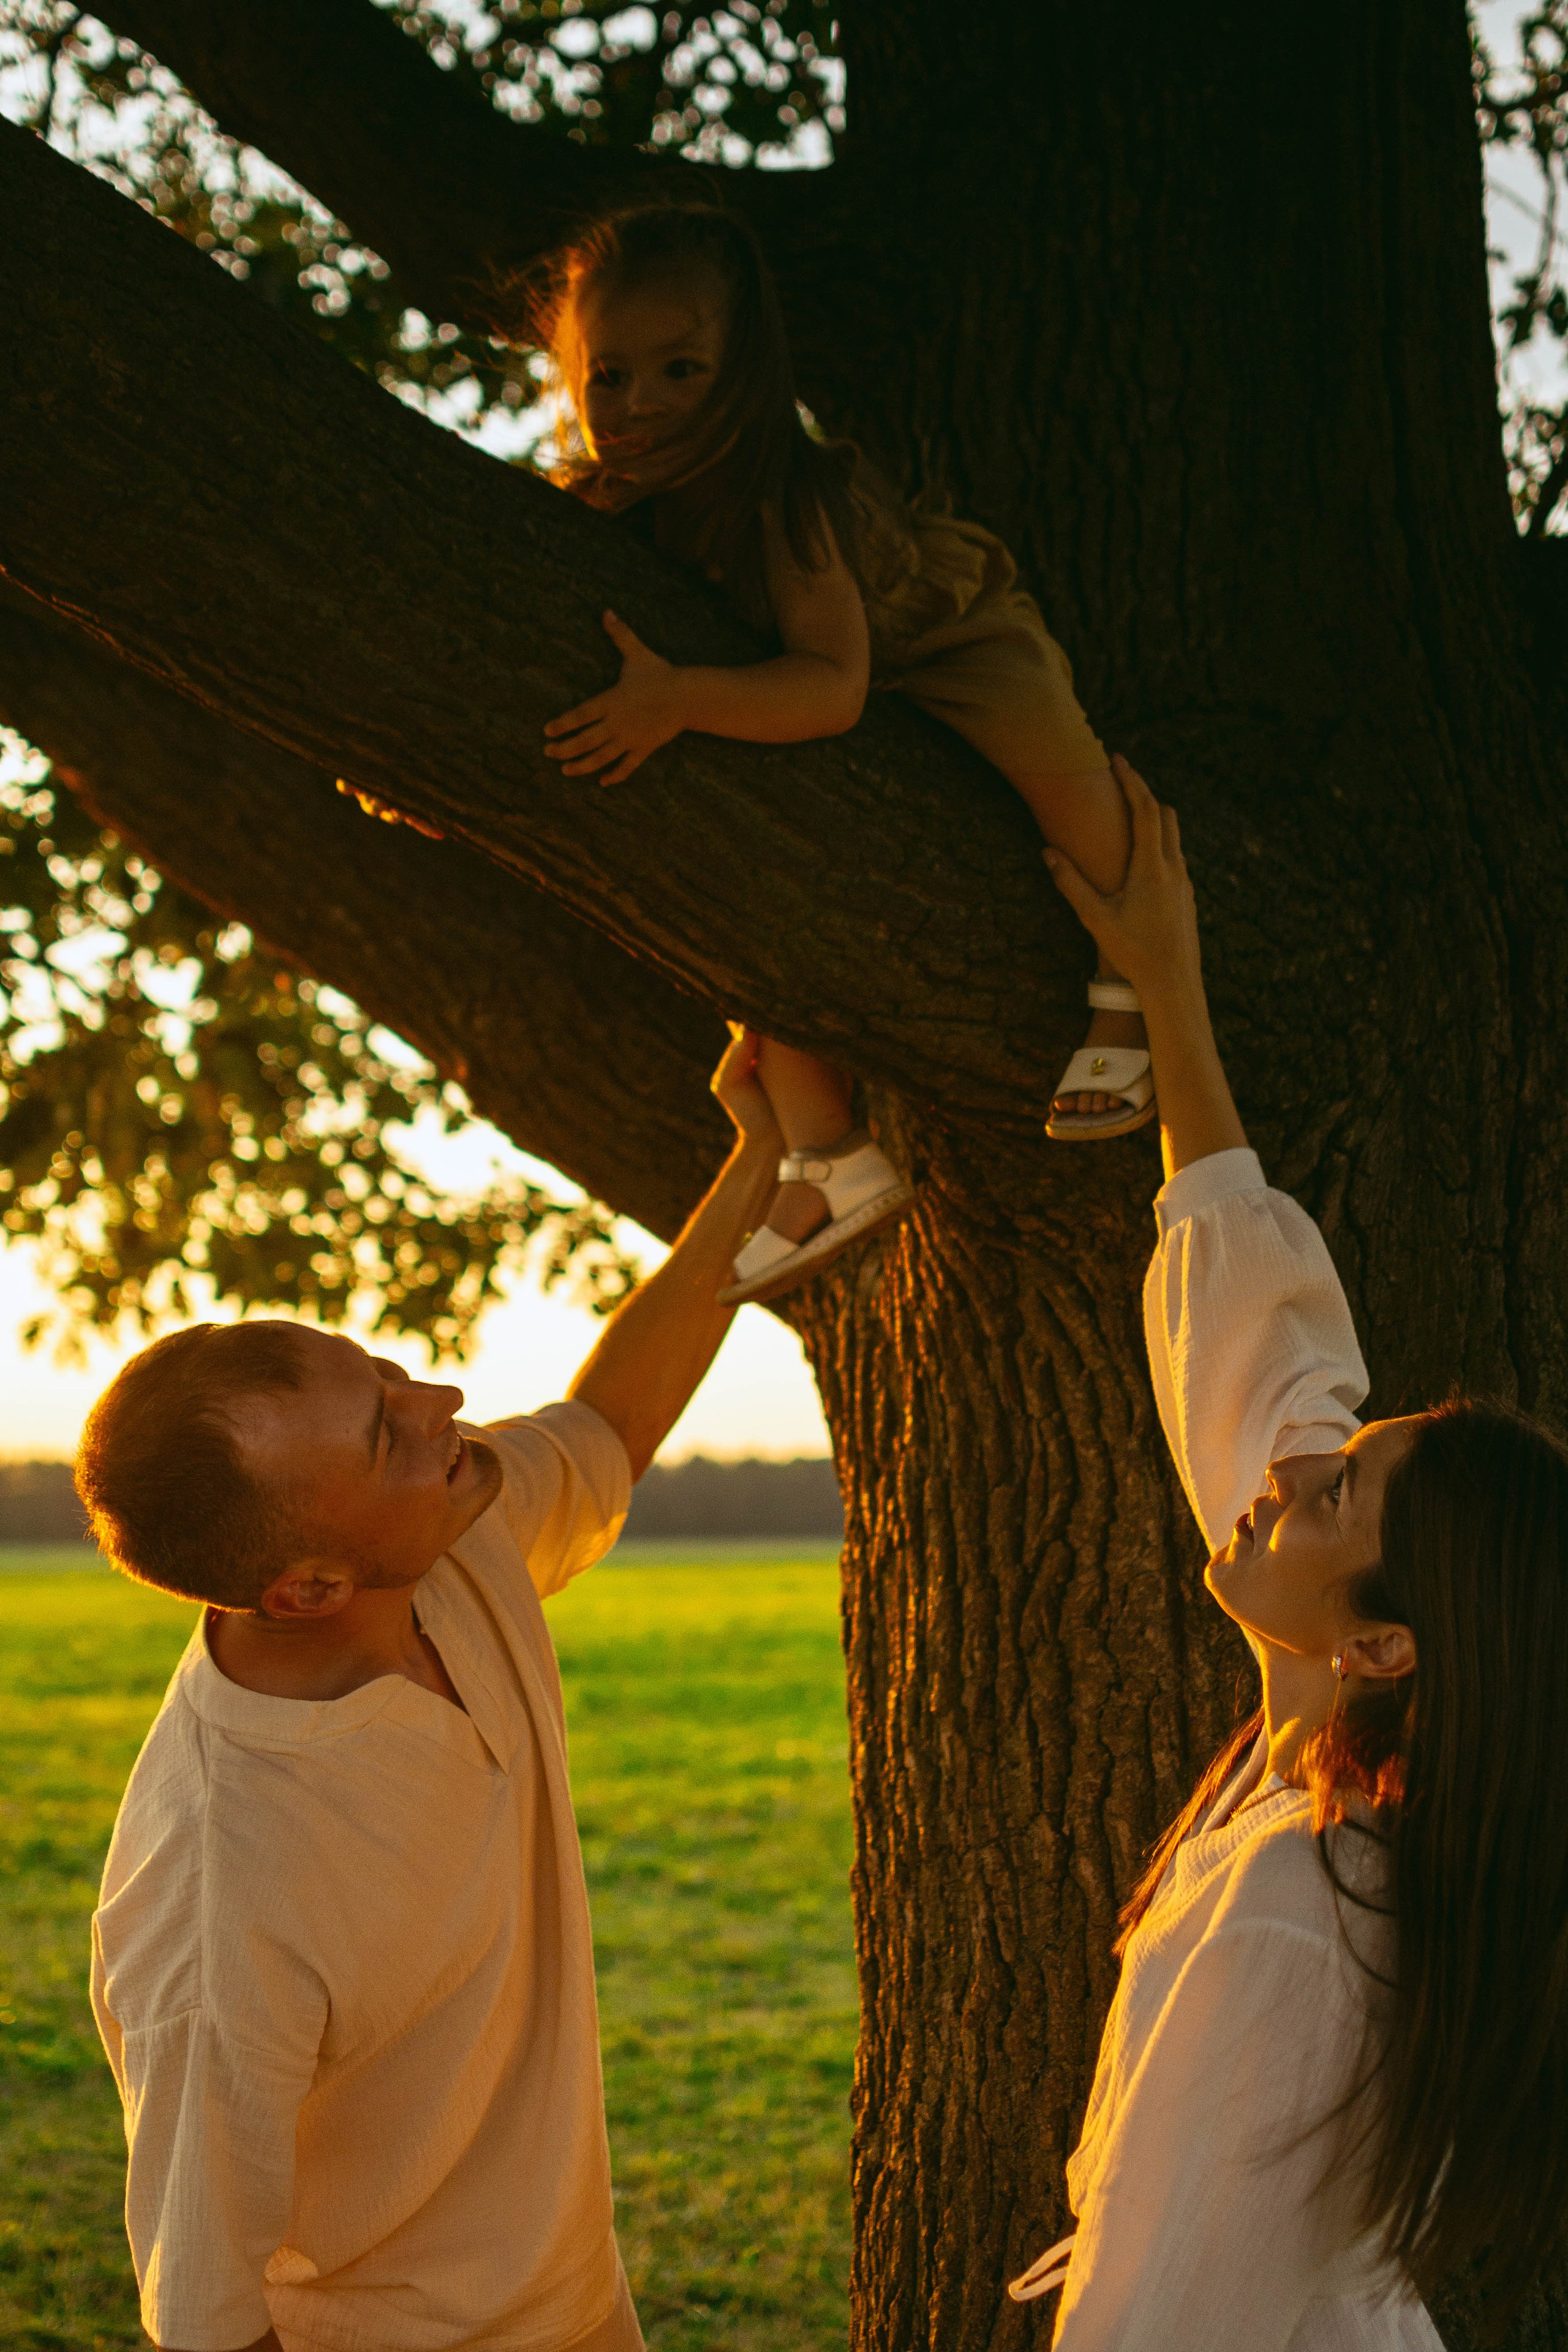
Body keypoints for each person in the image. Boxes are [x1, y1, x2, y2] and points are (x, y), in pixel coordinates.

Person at [79, 1028, 786, 2352]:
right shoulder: (221, 1892)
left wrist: (756, 1162)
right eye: (386, 1432)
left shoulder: (443, 1553)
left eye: (390, 1376)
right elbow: (207, 2316)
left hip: (584, 2308)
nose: (444, 1403)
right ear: (300, 1588)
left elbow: (609, 1433)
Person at [1003, 756, 1568, 2346]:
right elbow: (1267, 1362)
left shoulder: (1293, 1910)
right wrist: (1171, 993)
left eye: (1339, 1495)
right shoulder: (1357, 1771)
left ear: (1387, 1644)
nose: (1300, 1469)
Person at [530, 202, 1149, 1310]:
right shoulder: (613, 510)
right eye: (608, 376)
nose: (638, 405)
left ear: (746, 368)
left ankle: (1132, 973)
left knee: (1050, 749)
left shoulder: (788, 495)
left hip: (930, 644)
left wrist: (676, 701)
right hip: (765, 687)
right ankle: (827, 1147)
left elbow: (833, 684)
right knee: (727, 870)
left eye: (681, 369)